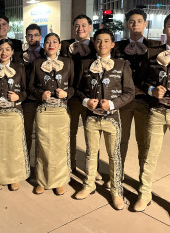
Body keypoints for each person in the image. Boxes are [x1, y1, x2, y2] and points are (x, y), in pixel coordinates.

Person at [75, 28, 134, 210]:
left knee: (114, 156)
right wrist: (86, 101)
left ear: (113, 44)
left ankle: (117, 192)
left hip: (112, 118)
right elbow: (78, 91)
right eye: (99, 41)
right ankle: (89, 184)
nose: (102, 44)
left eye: (106, 41)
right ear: (94, 44)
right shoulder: (86, 65)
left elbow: (130, 92)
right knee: (91, 153)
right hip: (92, 118)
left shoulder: (122, 65)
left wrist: (113, 104)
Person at [113, 8, 160, 184]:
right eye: (132, 22)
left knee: (144, 142)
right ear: (127, 25)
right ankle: (117, 175)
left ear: (145, 24)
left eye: (139, 21)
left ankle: (143, 179)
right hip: (123, 101)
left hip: (145, 101)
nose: (135, 25)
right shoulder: (117, 46)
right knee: (120, 140)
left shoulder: (154, 47)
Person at [29, 33, 74, 196]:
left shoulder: (68, 63)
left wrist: (66, 93)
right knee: (43, 147)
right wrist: (40, 94)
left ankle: (59, 180)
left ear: (60, 45)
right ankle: (42, 180)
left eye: (55, 42)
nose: (51, 45)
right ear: (44, 45)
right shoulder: (37, 63)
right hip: (44, 111)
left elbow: (74, 87)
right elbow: (31, 87)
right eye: (47, 42)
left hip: (61, 111)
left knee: (60, 147)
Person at [0, 38, 29, 191]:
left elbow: (25, 90)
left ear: (12, 52)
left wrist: (19, 97)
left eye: (7, 49)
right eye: (1, 49)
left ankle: (14, 176)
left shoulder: (20, 67)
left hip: (14, 113)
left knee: (14, 147)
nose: (4, 52)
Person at [134, 14, 170, 212]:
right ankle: (144, 193)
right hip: (156, 111)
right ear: (164, 30)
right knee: (149, 155)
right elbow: (140, 80)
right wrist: (151, 91)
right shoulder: (152, 53)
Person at [60, 14, 100, 179]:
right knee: (70, 133)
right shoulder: (65, 45)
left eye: (84, 25)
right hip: (70, 95)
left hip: (90, 96)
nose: (80, 28)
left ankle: (93, 168)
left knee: (92, 135)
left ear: (90, 27)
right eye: (77, 25)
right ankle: (71, 164)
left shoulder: (96, 45)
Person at [21, 24, 46, 158]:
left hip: (43, 98)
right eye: (30, 35)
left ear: (40, 37)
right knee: (26, 133)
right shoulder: (20, 56)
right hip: (27, 100)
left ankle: (40, 166)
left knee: (43, 134)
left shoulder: (47, 54)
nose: (33, 38)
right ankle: (25, 165)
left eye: (36, 35)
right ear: (26, 37)